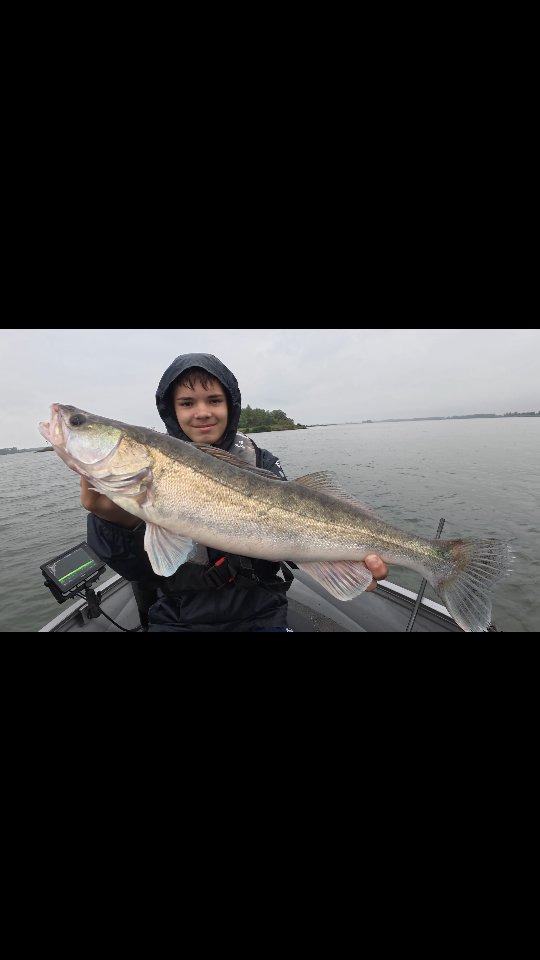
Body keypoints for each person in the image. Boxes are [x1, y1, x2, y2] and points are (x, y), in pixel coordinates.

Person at [80, 353, 388, 632]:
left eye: (214, 400)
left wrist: (346, 566)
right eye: (187, 403)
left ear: (231, 405)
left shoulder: (261, 462)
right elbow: (138, 570)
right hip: (178, 617)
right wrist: (113, 523)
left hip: (261, 614)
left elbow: (297, 537)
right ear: (171, 411)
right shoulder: (141, 477)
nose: (202, 412)